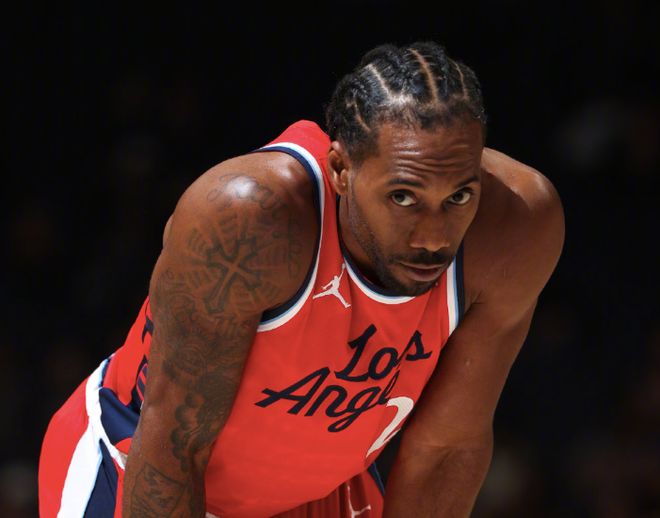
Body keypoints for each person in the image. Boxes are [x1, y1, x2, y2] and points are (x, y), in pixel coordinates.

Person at [38, 40, 565, 517]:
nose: (433, 236)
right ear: (340, 171)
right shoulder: (249, 221)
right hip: (140, 469)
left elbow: (446, 448)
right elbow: (176, 448)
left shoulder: (515, 227)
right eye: (403, 197)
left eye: (459, 197)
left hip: (320, 496)